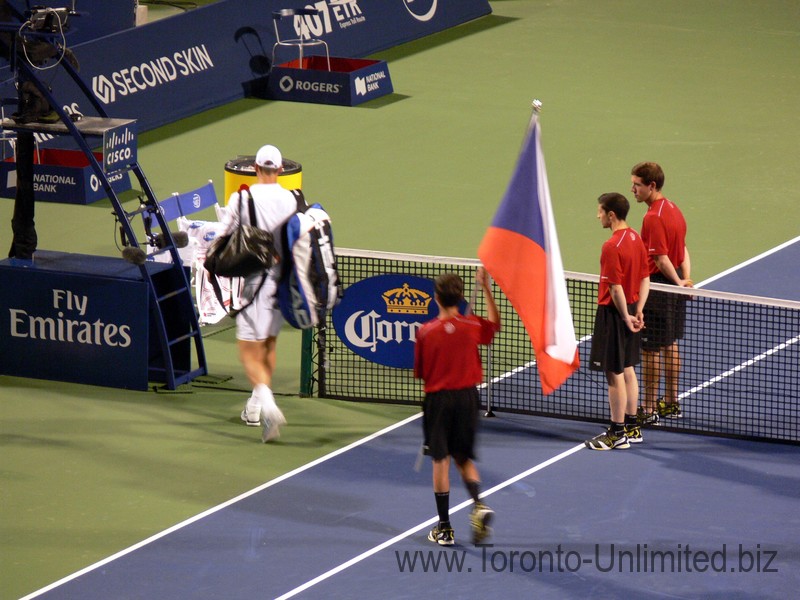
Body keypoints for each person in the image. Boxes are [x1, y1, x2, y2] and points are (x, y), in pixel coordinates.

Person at [414, 268, 500, 546]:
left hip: (439, 401)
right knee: (463, 457)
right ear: (460, 297)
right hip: (467, 399)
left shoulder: (425, 333)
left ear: (436, 298)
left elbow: (422, 373)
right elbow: (495, 325)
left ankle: (445, 528)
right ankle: (479, 504)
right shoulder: (473, 325)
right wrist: (486, 288)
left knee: (441, 460)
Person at [220, 144, 297, 443]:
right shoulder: (291, 199)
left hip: (254, 283)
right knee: (268, 346)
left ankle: (268, 405)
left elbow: (223, 236)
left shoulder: (243, 198)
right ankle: (256, 410)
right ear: (279, 170)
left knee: (247, 352)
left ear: (255, 168)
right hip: (282, 286)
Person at [585, 193, 649, 450]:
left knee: (614, 374)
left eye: (600, 211)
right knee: (629, 367)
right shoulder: (636, 238)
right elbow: (645, 278)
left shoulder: (611, 246)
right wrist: (638, 311)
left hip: (615, 313)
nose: (597, 215)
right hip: (633, 307)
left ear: (611, 214)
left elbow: (614, 287)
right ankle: (632, 427)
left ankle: (616, 433)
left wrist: (624, 317)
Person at [630, 162, 692, 423]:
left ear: (651, 186)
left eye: (637, 185)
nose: (632, 189)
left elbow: (662, 258)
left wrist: (678, 283)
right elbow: (684, 249)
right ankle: (671, 403)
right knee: (670, 344)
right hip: (674, 281)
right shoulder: (673, 208)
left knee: (651, 350)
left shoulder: (652, 217)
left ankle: (649, 407)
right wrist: (686, 279)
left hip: (658, 285)